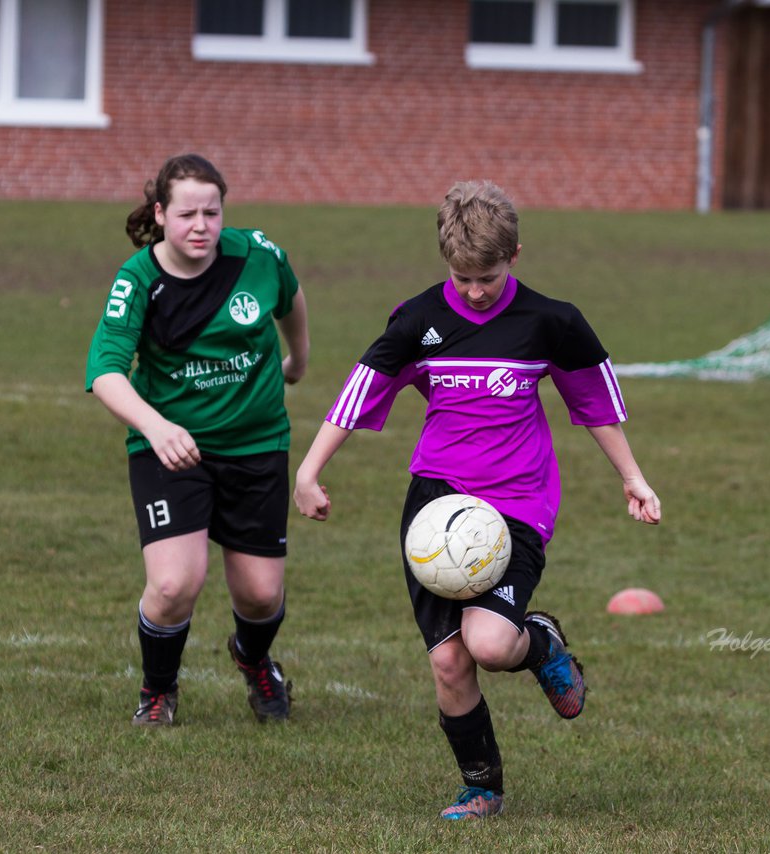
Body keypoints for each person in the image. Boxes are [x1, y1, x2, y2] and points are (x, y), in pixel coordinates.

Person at [292, 180, 661, 820]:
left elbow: (594, 405)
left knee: (490, 646)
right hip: (436, 507)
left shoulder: (551, 322)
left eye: (486, 276)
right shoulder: (417, 320)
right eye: (461, 277)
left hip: (518, 504)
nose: (474, 290)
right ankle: (481, 786)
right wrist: (310, 470)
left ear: (514, 254)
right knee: (449, 662)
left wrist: (632, 476)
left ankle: (539, 643)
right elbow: (361, 390)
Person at [85, 153, 310, 726]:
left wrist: (298, 358)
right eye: (187, 214)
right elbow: (105, 372)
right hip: (171, 448)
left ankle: (254, 660)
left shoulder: (256, 254)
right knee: (173, 582)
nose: (201, 225)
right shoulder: (137, 280)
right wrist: (155, 427)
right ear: (160, 214)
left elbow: (291, 297)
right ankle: (158, 690)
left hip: (257, 443)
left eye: (212, 212)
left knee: (260, 595)